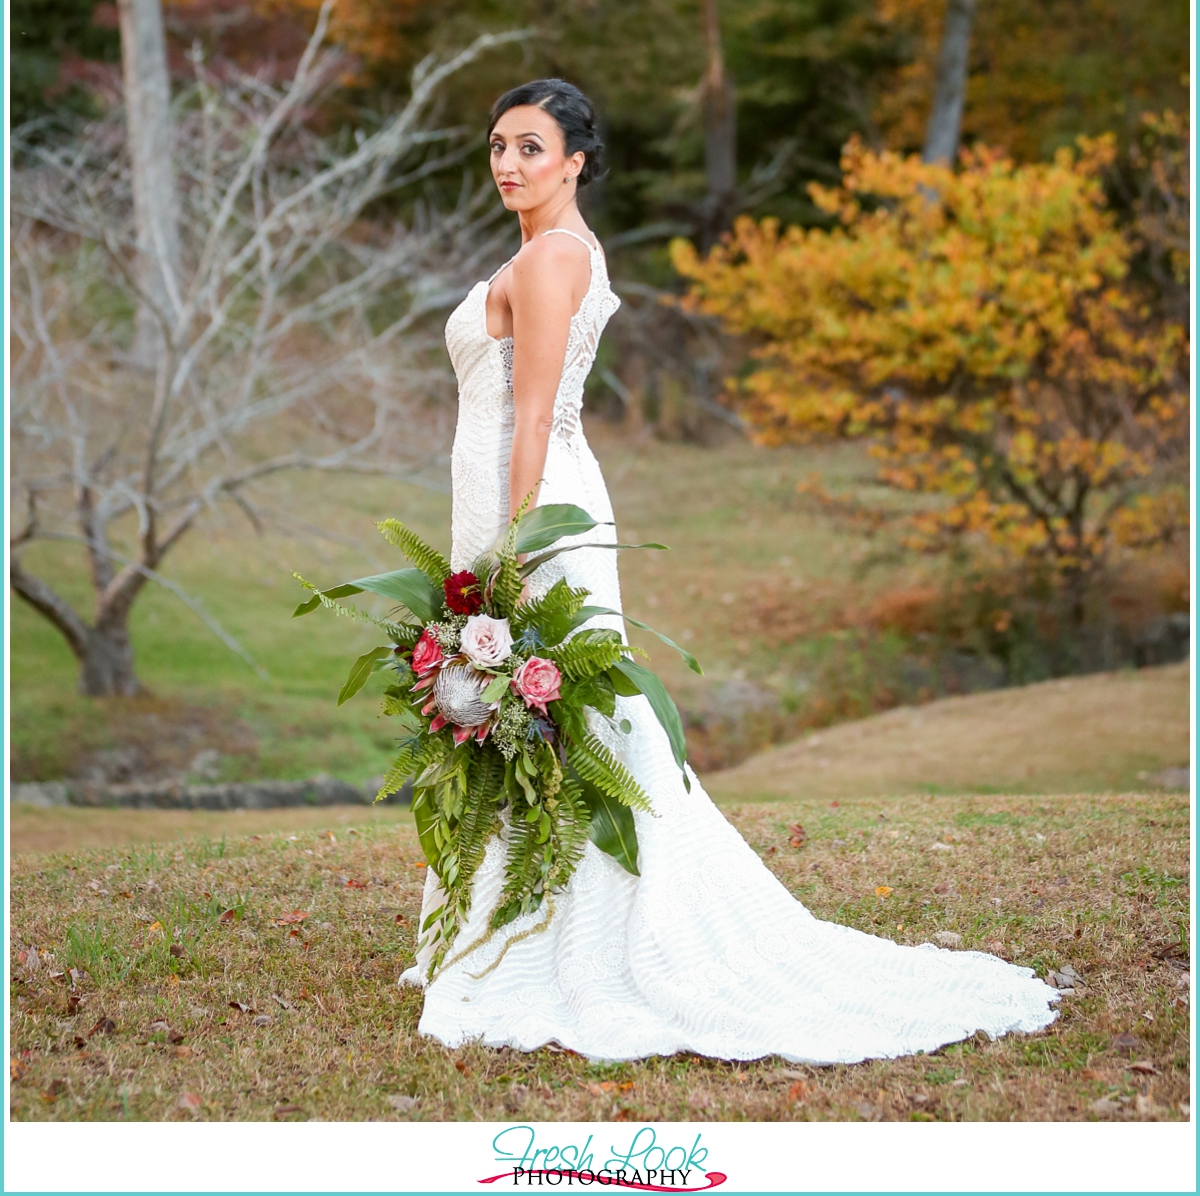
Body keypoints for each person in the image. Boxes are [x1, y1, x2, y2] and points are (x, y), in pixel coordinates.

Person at [401, 77, 1060, 1062]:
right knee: (529, 716)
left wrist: (512, 556)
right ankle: (510, 921)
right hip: (511, 494)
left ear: (576, 159)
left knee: (562, 714)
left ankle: (574, 935)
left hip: (529, 504)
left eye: (530, 147)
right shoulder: (549, 249)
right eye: (498, 144)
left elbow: (532, 414)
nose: (507, 162)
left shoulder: (548, 261)